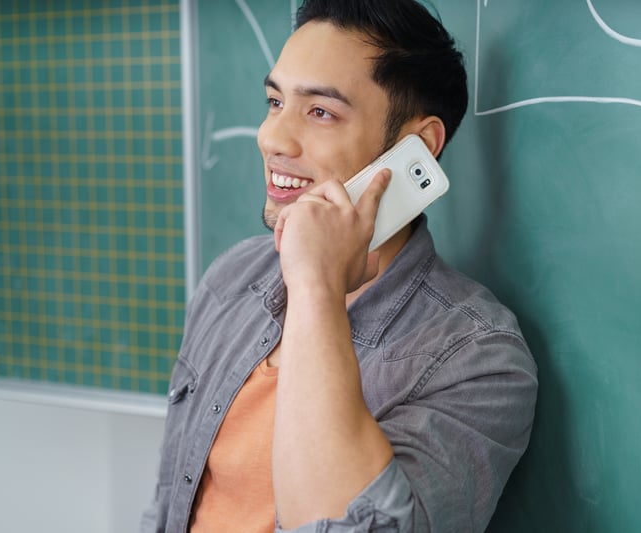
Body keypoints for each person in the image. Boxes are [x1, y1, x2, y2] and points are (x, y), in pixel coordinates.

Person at [141, 0, 537, 531]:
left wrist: (316, 286)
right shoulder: (230, 281)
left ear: (416, 149)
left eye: (320, 111)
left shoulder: (478, 359)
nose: (272, 137)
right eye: (274, 101)